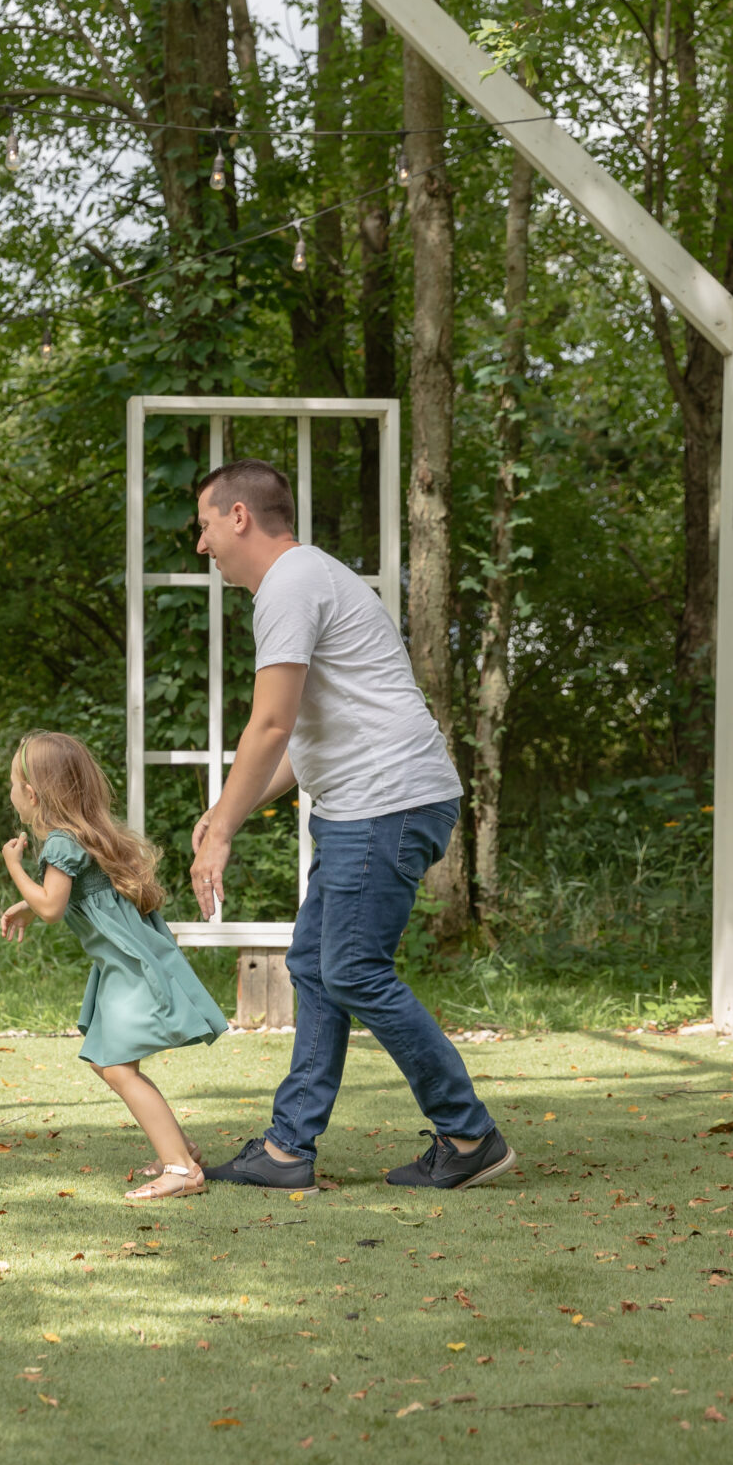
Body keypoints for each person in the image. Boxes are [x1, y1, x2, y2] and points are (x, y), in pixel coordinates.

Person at [186, 459, 515, 1193]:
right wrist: (225, 808)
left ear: (239, 516)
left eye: (204, 524)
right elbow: (297, 748)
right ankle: (286, 1150)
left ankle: (468, 1134)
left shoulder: (292, 583)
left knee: (351, 969)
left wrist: (222, 833)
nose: (201, 545)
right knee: (315, 965)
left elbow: (268, 725)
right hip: (364, 806)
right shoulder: (305, 581)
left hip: (384, 804)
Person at [0, 731, 228, 1199]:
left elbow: (52, 907)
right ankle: (179, 1146)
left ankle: (181, 1171)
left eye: (11, 784)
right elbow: (74, 897)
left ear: (32, 794)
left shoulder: (61, 843)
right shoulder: (81, 835)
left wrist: (15, 868)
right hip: (122, 964)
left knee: (119, 1067)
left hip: (129, 966)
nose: (10, 794)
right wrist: (30, 903)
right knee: (106, 1062)